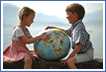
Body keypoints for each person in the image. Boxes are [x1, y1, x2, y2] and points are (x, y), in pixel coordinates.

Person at [45, 3, 94, 68]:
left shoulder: (79, 29)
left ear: (75, 15)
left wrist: (68, 58)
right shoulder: (75, 26)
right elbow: (66, 32)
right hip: (81, 53)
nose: (66, 16)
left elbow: (78, 47)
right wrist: (53, 28)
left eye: (68, 14)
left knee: (70, 61)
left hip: (87, 54)